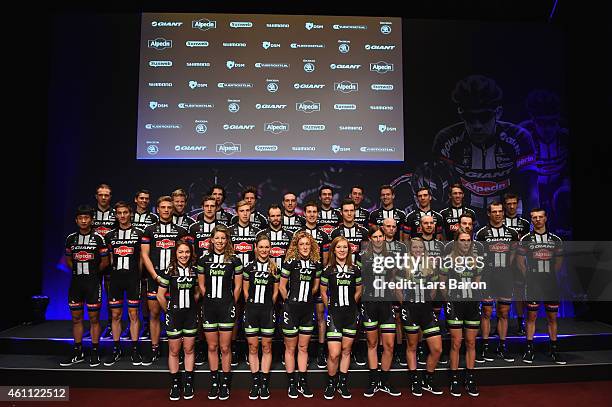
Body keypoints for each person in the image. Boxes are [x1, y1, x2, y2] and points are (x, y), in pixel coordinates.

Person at [432, 74, 539, 225]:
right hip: (465, 218)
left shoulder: (519, 138)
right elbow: (441, 194)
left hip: (507, 215)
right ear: (461, 114)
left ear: (499, 113)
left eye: (485, 116)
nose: (477, 125)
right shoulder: (446, 140)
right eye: (470, 117)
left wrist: (532, 231)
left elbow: (531, 192)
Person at [140, 196, 190, 365]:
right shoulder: (149, 230)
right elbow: (145, 255)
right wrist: (155, 276)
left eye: (170, 207)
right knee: (154, 314)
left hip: (177, 279)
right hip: (156, 278)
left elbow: (186, 255)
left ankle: (180, 351)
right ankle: (155, 349)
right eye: (163, 207)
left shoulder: (181, 231)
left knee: (179, 315)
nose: (167, 210)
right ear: (158, 209)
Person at [197, 225, 243, 400]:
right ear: (211, 239)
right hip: (209, 307)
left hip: (226, 307)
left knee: (225, 347)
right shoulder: (203, 260)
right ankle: (214, 381)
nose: (220, 241)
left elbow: (238, 286)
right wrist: (208, 300)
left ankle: (225, 382)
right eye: (217, 238)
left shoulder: (234, 260)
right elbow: (201, 285)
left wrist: (231, 301)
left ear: (227, 240)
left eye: (223, 238)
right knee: (212, 346)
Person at [60, 205, 109, 367]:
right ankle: (78, 350)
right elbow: (68, 259)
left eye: (86, 217)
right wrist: (76, 270)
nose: (83, 220)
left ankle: (95, 351)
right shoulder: (71, 238)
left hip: (93, 283)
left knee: (94, 318)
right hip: (76, 283)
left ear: (91, 220)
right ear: (76, 220)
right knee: (76, 318)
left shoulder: (98, 238)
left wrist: (94, 274)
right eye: (80, 218)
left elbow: (105, 261)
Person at [519, 89, 570, 238]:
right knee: (532, 200)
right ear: (534, 122)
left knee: (563, 196)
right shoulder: (525, 136)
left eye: (551, 123)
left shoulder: (565, 135)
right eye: (541, 123)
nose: (547, 129)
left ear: (558, 121)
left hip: (559, 182)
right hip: (535, 184)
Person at [517, 208, 566, 365]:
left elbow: (559, 262)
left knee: (552, 317)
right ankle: (529, 349)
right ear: (531, 220)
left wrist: (550, 276)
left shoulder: (556, 239)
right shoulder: (526, 238)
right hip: (533, 283)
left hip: (550, 283)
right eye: (534, 217)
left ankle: (554, 349)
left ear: (545, 219)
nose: (537, 220)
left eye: (540, 217)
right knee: (531, 317)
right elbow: (519, 261)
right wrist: (529, 277)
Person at [358, 226, 401, 397]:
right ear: (370, 239)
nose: (378, 239)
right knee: (372, 344)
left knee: (389, 345)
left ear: (384, 238)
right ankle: (374, 380)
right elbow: (359, 284)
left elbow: (392, 278)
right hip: (369, 304)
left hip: (386, 304)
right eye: (374, 236)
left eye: (380, 236)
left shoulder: (390, 256)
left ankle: (385, 380)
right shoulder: (363, 257)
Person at [440, 228, 483, 397]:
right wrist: (450, 299)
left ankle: (470, 378)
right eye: (462, 240)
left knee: (471, 343)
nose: (465, 243)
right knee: (456, 343)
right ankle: (455, 379)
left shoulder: (476, 261)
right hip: (455, 305)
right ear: (456, 242)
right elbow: (442, 285)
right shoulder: (448, 260)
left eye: (468, 240)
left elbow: (476, 284)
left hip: (471, 305)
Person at [280, 231, 322, 398]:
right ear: (296, 246)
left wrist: (306, 301)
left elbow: (315, 287)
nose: (305, 247)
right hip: (291, 310)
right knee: (290, 348)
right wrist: (289, 302)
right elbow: (282, 287)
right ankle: (291, 383)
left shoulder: (316, 264)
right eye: (301, 244)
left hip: (307, 310)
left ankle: (302, 382)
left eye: (307, 244)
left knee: (303, 347)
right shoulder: (290, 262)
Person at [475, 202, 519, 363]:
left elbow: (514, 253)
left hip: (505, 276)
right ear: (489, 214)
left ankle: (502, 346)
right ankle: (485, 347)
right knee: (486, 312)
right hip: (487, 275)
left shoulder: (512, 233)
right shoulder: (481, 233)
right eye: (494, 212)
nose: (498, 214)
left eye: (500, 211)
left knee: (504, 312)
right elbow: (477, 256)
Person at [320, 236, 363, 399]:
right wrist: (328, 305)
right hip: (334, 315)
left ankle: (342, 384)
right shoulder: (328, 270)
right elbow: (323, 291)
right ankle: (331, 383)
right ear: (333, 250)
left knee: (346, 350)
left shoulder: (355, 269)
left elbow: (359, 289)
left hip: (351, 314)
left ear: (349, 250)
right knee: (334, 353)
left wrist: (353, 302)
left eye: (345, 247)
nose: (342, 250)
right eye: (339, 247)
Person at [399, 238, 443, 397]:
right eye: (414, 247)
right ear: (410, 249)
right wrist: (405, 305)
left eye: (420, 247)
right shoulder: (403, 265)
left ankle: (427, 378)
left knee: (437, 348)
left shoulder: (430, 265)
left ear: (423, 249)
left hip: (426, 310)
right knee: (412, 346)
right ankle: (415, 380)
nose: (417, 249)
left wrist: (426, 304)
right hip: (410, 309)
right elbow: (397, 288)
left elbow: (433, 290)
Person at [157, 239, 200, 400]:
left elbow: (197, 292)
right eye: (181, 252)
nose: (184, 255)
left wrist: (191, 306)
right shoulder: (169, 270)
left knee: (189, 349)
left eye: (187, 252)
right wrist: (168, 310)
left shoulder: (194, 271)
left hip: (190, 315)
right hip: (174, 316)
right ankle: (175, 384)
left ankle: (188, 383)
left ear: (191, 253)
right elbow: (160, 295)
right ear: (176, 253)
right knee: (174, 350)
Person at [103, 201, 144, 366]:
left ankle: (135, 349)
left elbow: (142, 258)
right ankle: (116, 348)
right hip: (116, 280)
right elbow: (109, 258)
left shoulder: (139, 234)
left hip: (133, 279)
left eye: (125, 212)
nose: (122, 216)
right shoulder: (110, 235)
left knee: (134, 315)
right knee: (115, 315)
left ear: (130, 213)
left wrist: (139, 276)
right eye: (119, 213)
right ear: (116, 215)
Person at [242, 234, 280, 399]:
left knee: (266, 347)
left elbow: (276, 291)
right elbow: (245, 290)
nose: (264, 250)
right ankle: (255, 382)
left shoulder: (274, 268)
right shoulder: (248, 267)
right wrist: (252, 304)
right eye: (261, 247)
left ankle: (264, 383)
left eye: (267, 247)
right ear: (256, 248)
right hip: (251, 311)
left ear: (270, 249)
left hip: (267, 312)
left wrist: (267, 305)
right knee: (252, 347)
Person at [228, 200, 261, 365]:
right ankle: (233, 348)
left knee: (250, 314)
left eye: (248, 210)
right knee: (234, 314)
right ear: (237, 212)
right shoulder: (230, 232)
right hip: (232, 280)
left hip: (252, 281)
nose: (245, 213)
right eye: (242, 210)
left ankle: (251, 351)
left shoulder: (257, 232)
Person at [301, 201, 331, 368]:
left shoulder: (324, 236)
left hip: (318, 279)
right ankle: (300, 350)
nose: (312, 214)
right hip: (301, 281)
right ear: (304, 214)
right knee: (301, 316)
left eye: (314, 212)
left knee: (321, 316)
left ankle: (320, 350)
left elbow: (326, 260)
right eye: (309, 211)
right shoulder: (298, 234)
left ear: (317, 214)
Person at [131, 189, 158, 341]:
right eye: (141, 198)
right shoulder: (129, 216)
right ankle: (133, 325)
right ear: (136, 199)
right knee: (135, 295)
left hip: (148, 260)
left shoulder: (153, 218)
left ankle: (148, 324)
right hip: (130, 259)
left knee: (146, 293)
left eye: (146, 198)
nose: (144, 201)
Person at [381, 218, 408, 367]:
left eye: (393, 227)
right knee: (381, 321)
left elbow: (404, 267)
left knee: (398, 318)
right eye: (388, 226)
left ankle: (398, 349)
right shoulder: (378, 244)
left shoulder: (402, 247)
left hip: (397, 284)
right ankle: (381, 350)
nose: (391, 229)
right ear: (382, 228)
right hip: (380, 286)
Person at [503, 192, 531, 335]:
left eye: (514, 203)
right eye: (509, 204)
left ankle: (521, 322)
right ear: (505, 205)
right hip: (503, 264)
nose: (512, 206)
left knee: (520, 293)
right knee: (501, 295)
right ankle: (501, 324)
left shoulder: (525, 223)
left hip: (519, 263)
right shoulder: (499, 222)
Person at [92, 184, 116, 340]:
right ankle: (94, 327)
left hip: (111, 261)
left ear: (110, 197)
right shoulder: (90, 214)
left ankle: (110, 325)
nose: (104, 197)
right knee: (92, 296)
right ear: (96, 196)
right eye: (101, 194)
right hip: (92, 260)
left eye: (107, 195)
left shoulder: (116, 214)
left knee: (110, 295)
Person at [257, 204, 293, 270]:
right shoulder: (261, 234)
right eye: (273, 216)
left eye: (278, 215)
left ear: (282, 216)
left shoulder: (290, 235)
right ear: (268, 217)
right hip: (266, 274)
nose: (275, 218)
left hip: (285, 275)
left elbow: (293, 256)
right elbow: (256, 255)